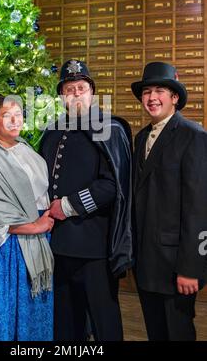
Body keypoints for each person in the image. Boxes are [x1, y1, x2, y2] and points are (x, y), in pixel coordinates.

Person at [39, 59, 133, 341]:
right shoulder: (52, 130)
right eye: (69, 89)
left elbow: (112, 185)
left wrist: (67, 206)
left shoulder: (109, 127)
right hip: (58, 244)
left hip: (95, 247)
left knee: (104, 322)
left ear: (91, 93)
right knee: (66, 323)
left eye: (81, 87)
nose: (76, 93)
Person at [0, 95, 54, 341]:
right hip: (3, 249)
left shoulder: (24, 147)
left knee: (33, 314)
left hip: (35, 243)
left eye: (19, 115)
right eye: (7, 116)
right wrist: (35, 227)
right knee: (1, 313)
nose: (15, 121)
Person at [131, 61, 207, 341]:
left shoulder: (193, 136)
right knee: (156, 333)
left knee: (178, 333)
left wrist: (191, 268)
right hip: (146, 262)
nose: (152, 97)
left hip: (176, 266)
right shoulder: (140, 138)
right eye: (147, 91)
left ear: (174, 97)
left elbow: (199, 209)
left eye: (160, 90)